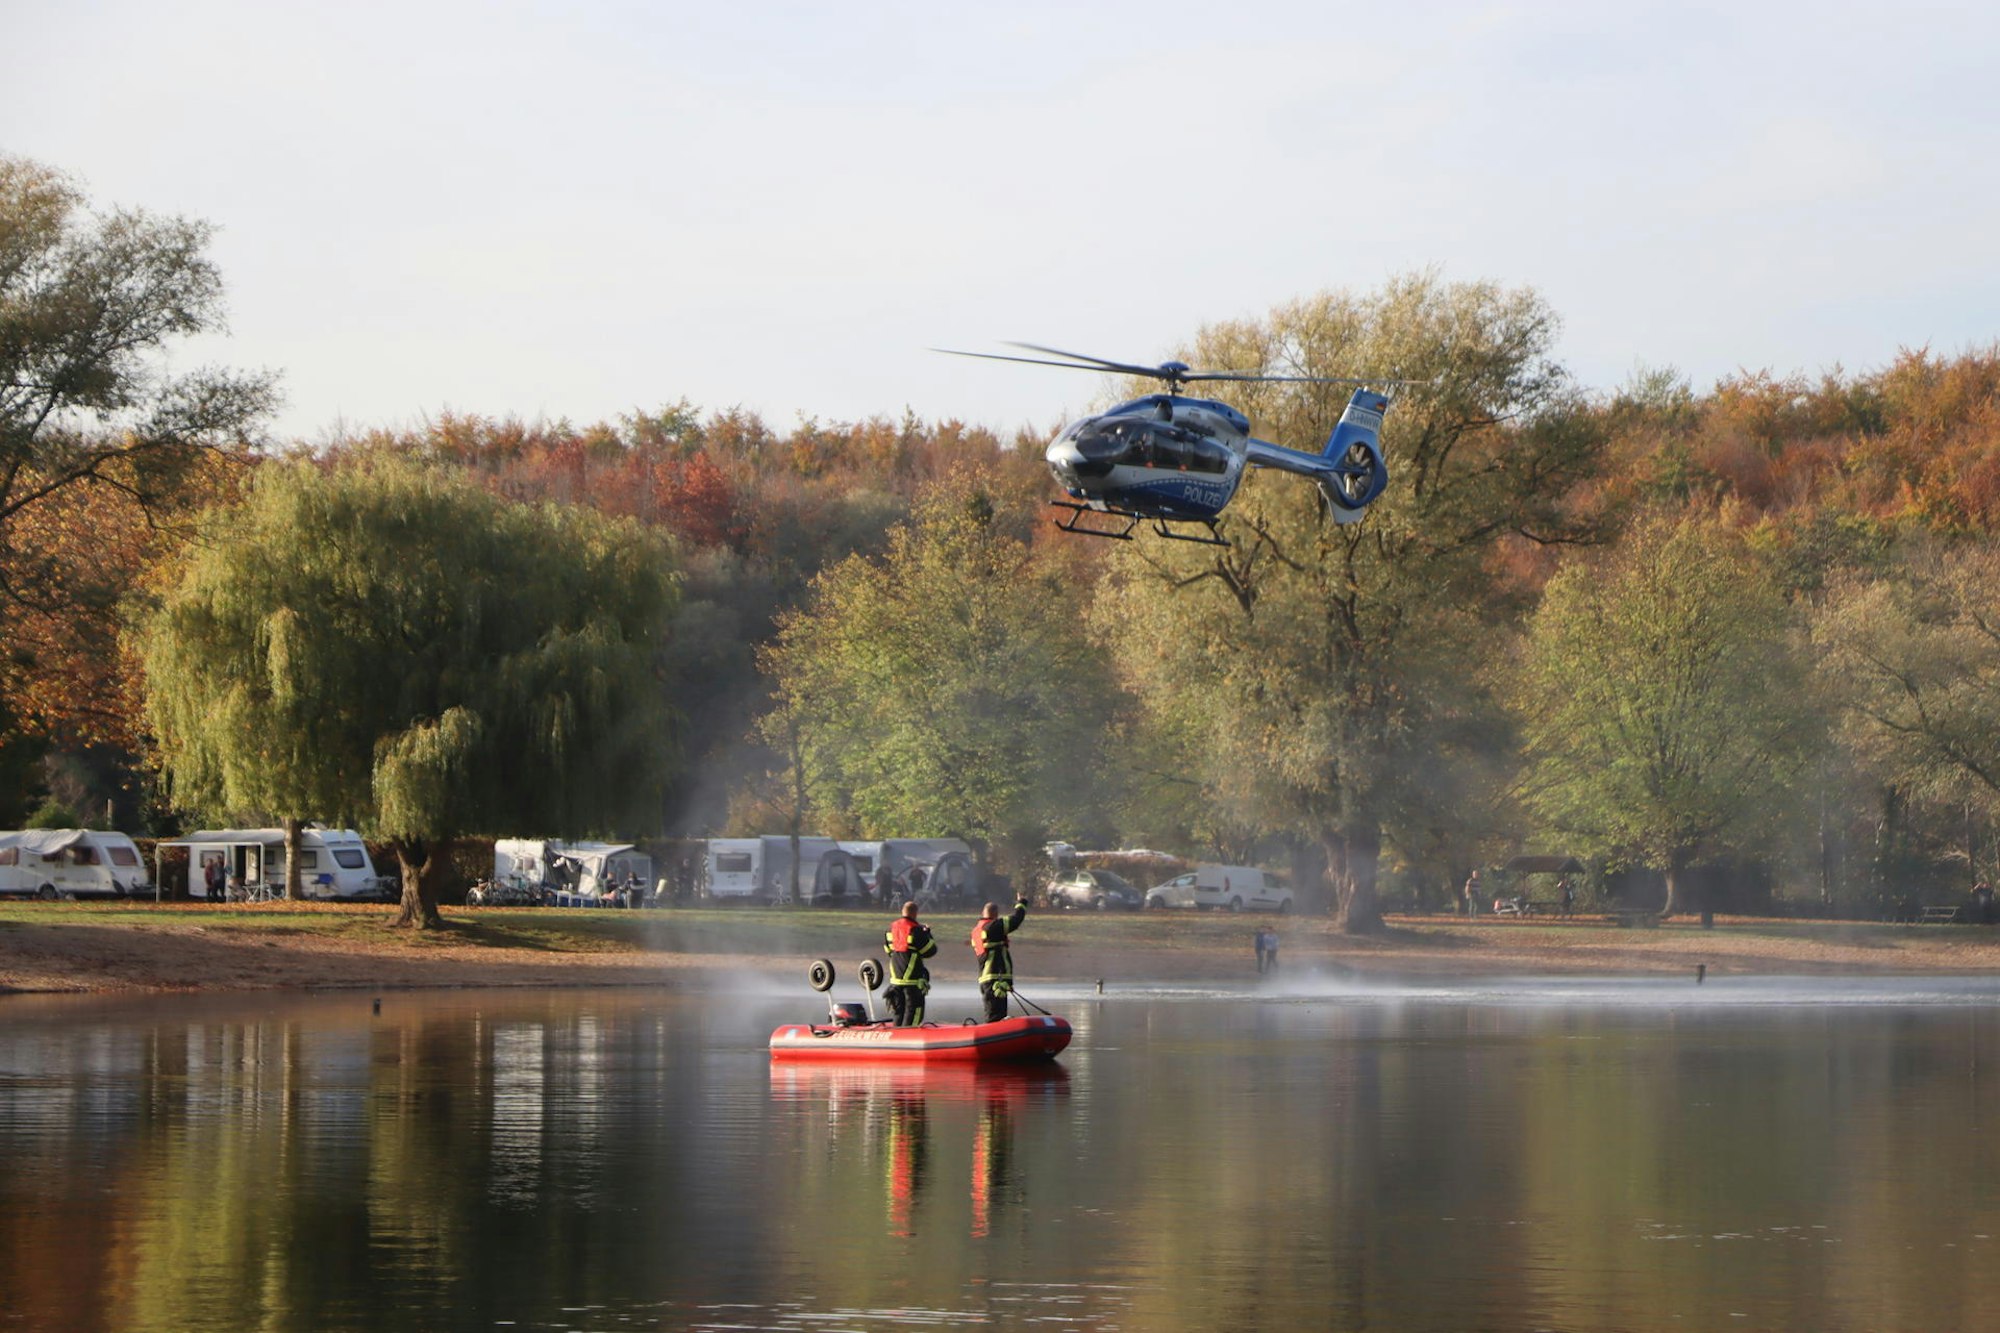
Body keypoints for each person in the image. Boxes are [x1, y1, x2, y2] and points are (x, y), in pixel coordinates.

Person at [970, 897, 1029, 1023]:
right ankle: (992, 1035)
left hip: (987, 977)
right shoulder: (992, 927)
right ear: (995, 914)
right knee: (995, 1016)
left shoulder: (976, 931)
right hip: (996, 977)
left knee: (994, 1013)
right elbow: (1016, 920)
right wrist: (1021, 903)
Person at [883, 900, 937, 1026]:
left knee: (898, 1013)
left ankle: (896, 1038)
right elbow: (930, 950)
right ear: (915, 913)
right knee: (914, 1014)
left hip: (895, 981)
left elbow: (888, 950)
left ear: (902, 911)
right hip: (912, 982)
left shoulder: (890, 930)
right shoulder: (916, 930)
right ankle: (909, 1037)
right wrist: (928, 933)